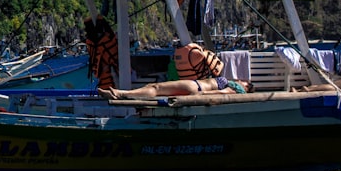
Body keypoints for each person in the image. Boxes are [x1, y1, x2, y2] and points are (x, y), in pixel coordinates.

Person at [98, 77, 252, 100]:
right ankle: (122, 93)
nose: (240, 80)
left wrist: (202, 93)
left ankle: (120, 94)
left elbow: (223, 93)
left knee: (157, 87)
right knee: (153, 87)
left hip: (196, 87)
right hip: (196, 87)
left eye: (244, 82)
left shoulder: (238, 89)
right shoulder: (235, 86)